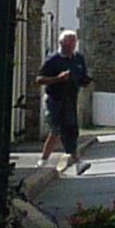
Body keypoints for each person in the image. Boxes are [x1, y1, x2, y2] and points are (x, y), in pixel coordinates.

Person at [38, 31, 92, 175]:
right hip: (54, 99)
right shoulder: (53, 60)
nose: (71, 45)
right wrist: (57, 78)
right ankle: (75, 161)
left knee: (70, 129)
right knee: (58, 129)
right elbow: (39, 80)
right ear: (61, 43)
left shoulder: (78, 58)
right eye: (68, 42)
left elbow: (82, 76)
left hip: (70, 99)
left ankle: (45, 160)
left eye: (73, 41)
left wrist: (85, 81)